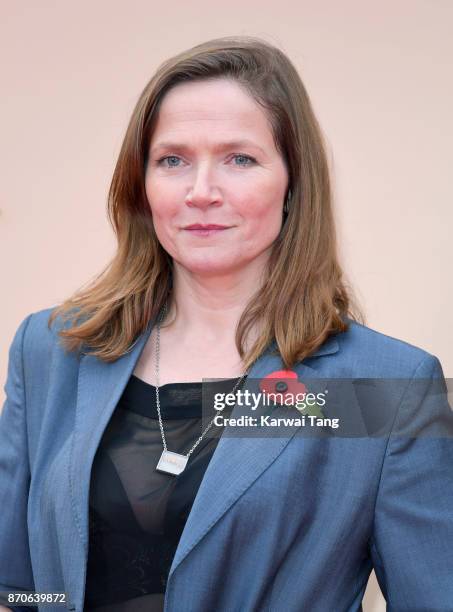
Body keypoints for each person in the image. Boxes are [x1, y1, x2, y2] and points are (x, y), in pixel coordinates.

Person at [1, 35, 452, 612]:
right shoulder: (52, 351)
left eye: (240, 159)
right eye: (173, 160)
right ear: (141, 186)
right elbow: (19, 587)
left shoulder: (388, 387)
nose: (201, 192)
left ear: (293, 183)